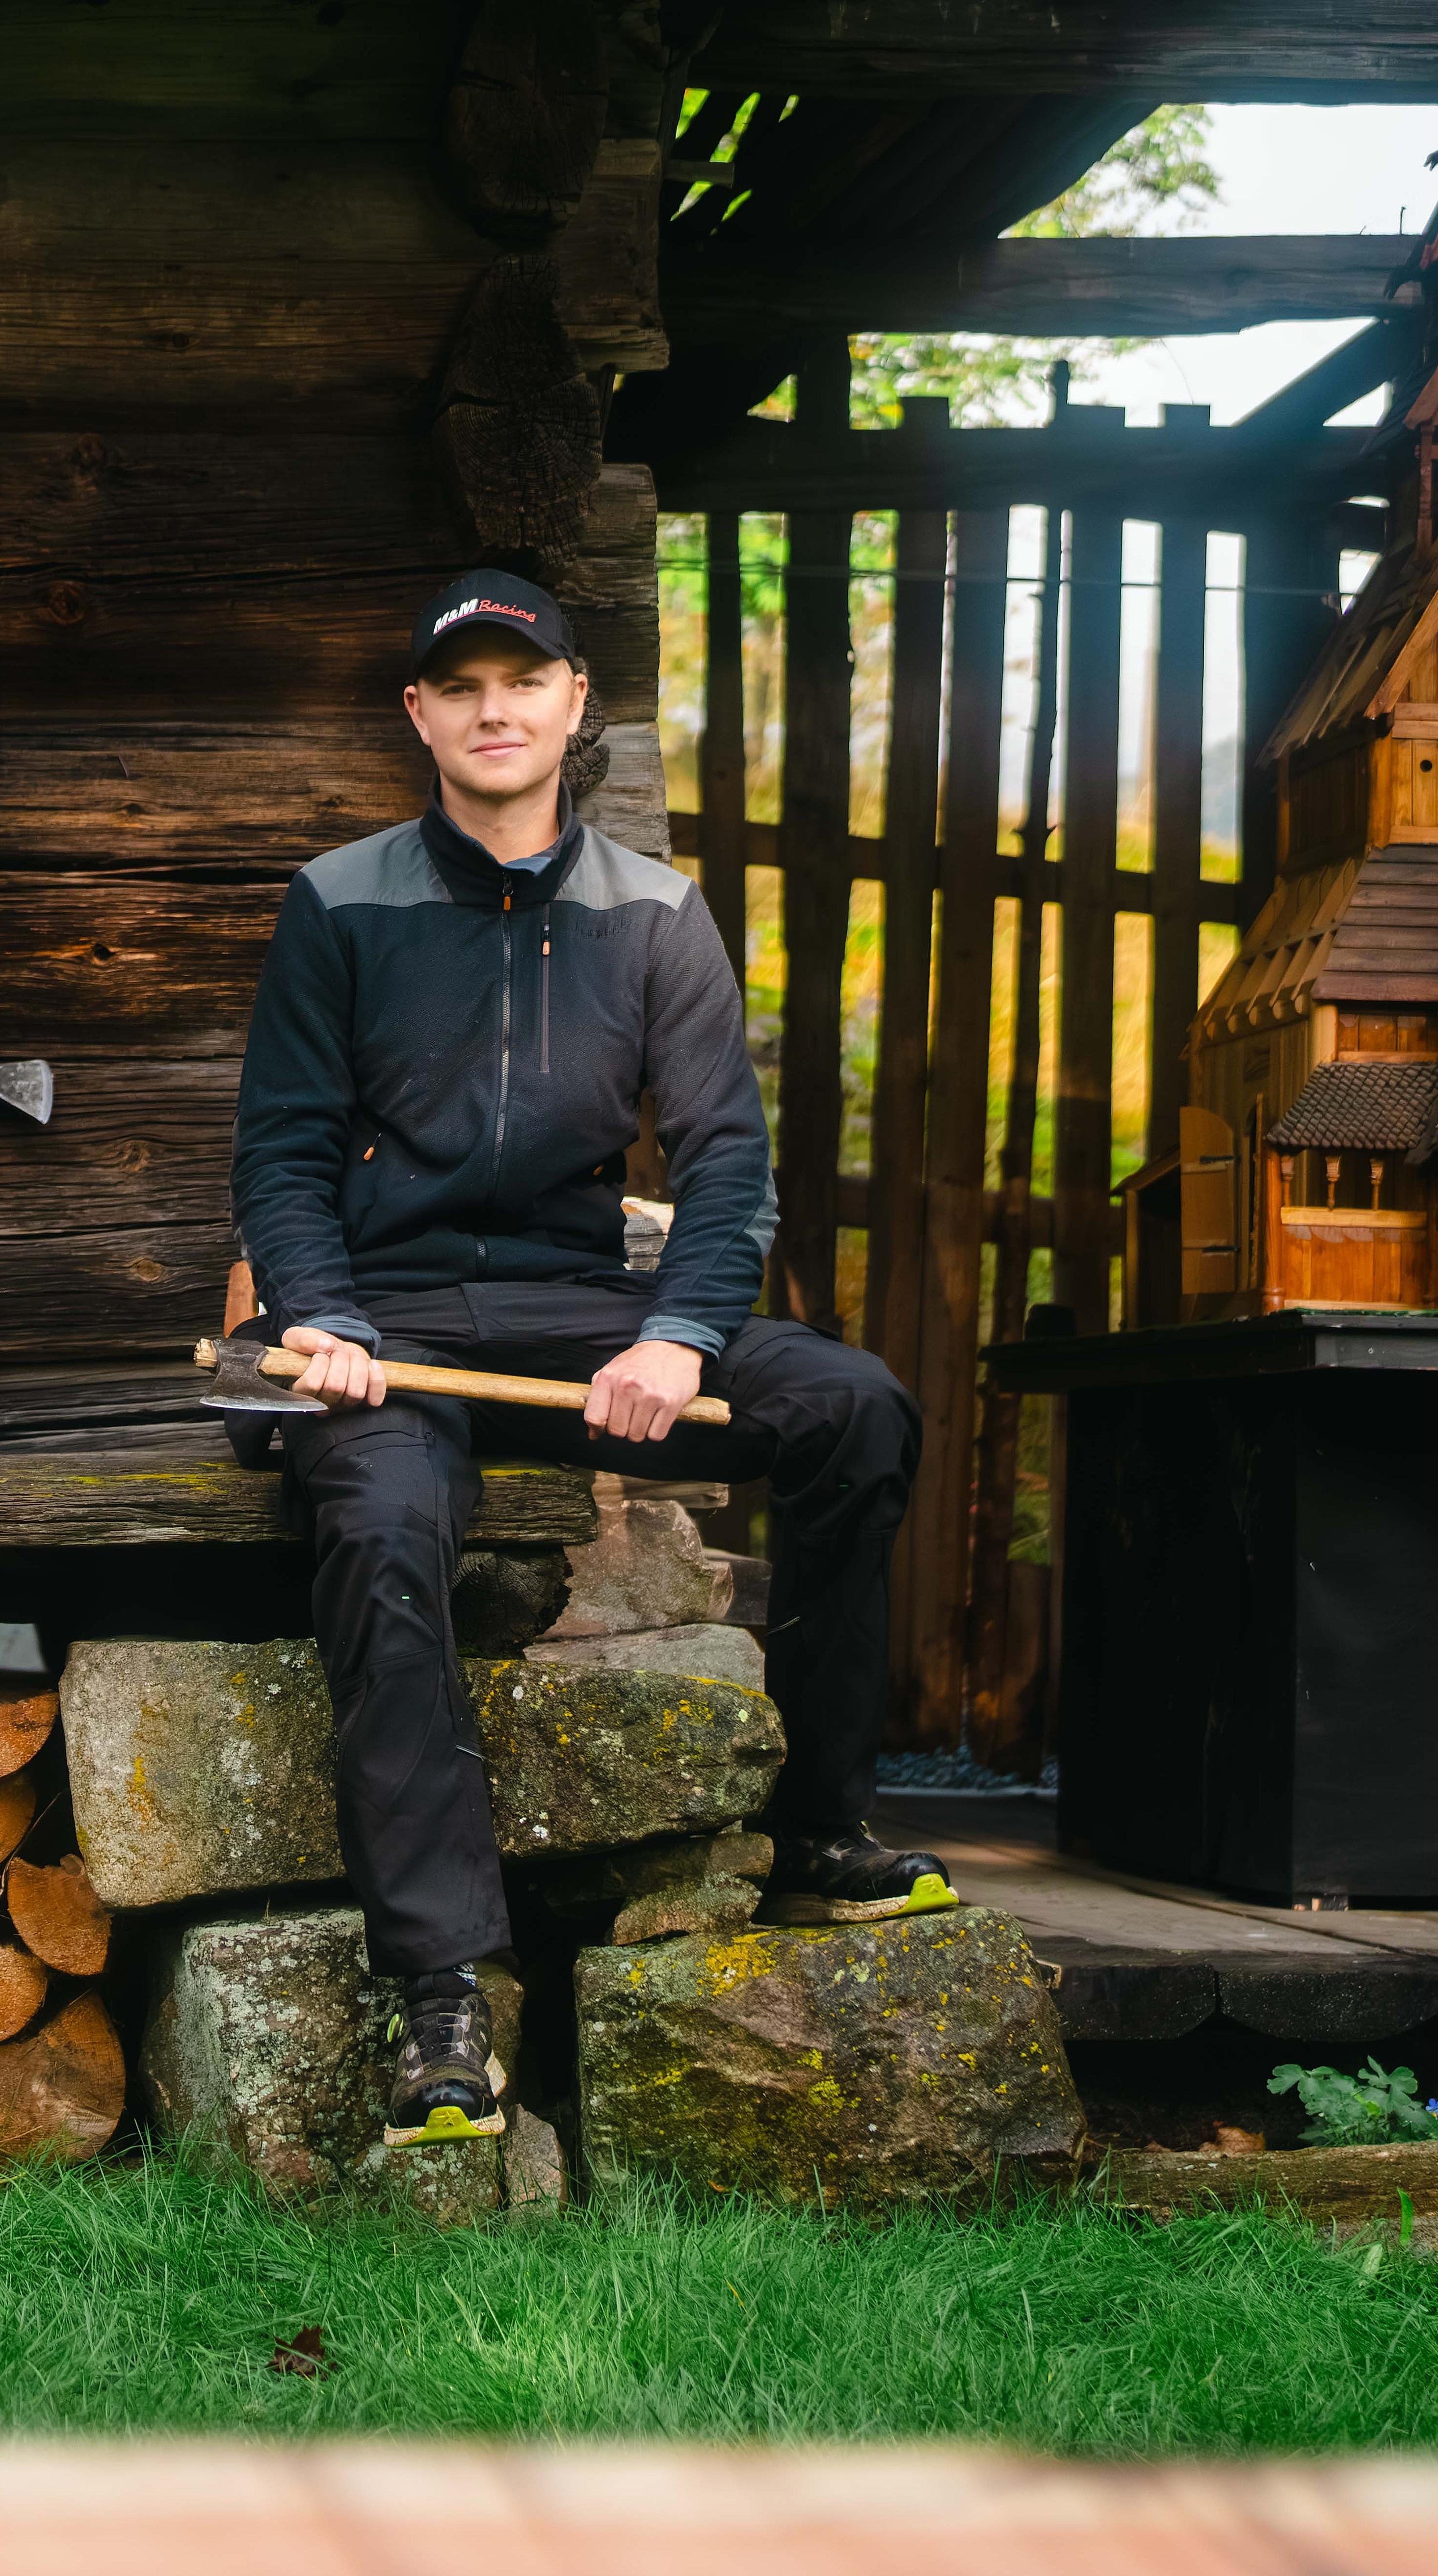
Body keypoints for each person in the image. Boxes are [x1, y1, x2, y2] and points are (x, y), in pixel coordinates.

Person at [229, 568, 953, 2151]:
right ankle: (442, 1995)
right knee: (380, 1528)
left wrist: (680, 1332)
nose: (496, 709)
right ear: (420, 715)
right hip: (392, 1323)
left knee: (853, 1405)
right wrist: (327, 1319)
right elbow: (282, 1153)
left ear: (572, 708)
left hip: (578, 1302)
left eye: (524, 681)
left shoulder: (655, 913)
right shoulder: (336, 901)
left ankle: (823, 1825)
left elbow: (727, 1165)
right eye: (463, 685)